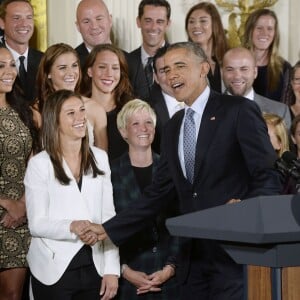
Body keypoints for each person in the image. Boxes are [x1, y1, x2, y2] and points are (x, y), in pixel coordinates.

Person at [82, 42, 282, 300]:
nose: (171, 75)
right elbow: (158, 192)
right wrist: (108, 229)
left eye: (180, 66)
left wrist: (245, 210)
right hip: (191, 260)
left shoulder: (238, 111)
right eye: (165, 69)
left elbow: (267, 176)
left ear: (204, 69)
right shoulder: (174, 125)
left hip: (233, 256)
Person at [24, 89, 119, 300]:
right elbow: (37, 223)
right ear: (54, 121)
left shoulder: (101, 158)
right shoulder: (39, 164)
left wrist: (112, 269)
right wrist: (72, 226)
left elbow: (108, 216)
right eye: (70, 113)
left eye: (82, 110)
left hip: (95, 266)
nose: (80, 118)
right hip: (53, 270)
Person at [112, 99, 179, 299]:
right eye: (135, 123)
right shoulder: (109, 174)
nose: (144, 128)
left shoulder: (171, 170)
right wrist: (124, 270)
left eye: (148, 122)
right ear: (123, 132)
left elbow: (180, 222)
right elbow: (106, 225)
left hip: (169, 279)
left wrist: (170, 268)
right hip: (128, 281)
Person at [0, 46, 39, 300]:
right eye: (0, 66)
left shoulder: (24, 112)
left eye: (11, 64)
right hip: (6, 207)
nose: (8, 71)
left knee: (13, 294)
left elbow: (36, 163)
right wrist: (6, 203)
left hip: (19, 219)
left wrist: (22, 204)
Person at [35, 43, 107, 150]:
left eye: (74, 65)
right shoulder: (36, 110)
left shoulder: (95, 109)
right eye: (62, 68)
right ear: (48, 73)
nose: (71, 73)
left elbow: (102, 158)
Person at [81, 43, 134, 160]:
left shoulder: (131, 110)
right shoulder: (77, 109)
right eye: (102, 67)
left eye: (115, 68)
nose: (109, 74)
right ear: (90, 71)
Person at [221, 46, 291, 128]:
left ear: (255, 72)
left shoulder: (280, 111)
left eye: (244, 69)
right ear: (222, 72)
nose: (237, 76)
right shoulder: (207, 108)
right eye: (230, 69)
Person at [243, 8, 291, 103]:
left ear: (275, 34)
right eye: (259, 28)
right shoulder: (236, 63)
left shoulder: (285, 68)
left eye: (269, 29)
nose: (264, 33)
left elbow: (286, 106)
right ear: (250, 31)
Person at [0, 0, 43, 104]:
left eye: (29, 17)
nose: (24, 24)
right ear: (2, 23)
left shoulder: (44, 60)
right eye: (16, 18)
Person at [127, 0, 171, 102]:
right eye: (148, 21)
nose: (153, 27)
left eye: (160, 21)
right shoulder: (126, 61)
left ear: (168, 24)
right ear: (138, 22)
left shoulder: (181, 59)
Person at [185, 1, 227, 93]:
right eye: (191, 21)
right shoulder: (183, 61)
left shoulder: (228, 58)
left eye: (203, 21)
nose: (196, 26)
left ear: (215, 24)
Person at [150, 45, 184, 152]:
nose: (172, 75)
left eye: (177, 67)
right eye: (164, 71)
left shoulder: (205, 100)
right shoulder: (146, 108)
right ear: (156, 78)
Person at [75, 0, 113, 69]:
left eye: (99, 19)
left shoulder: (130, 61)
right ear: (78, 26)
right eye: (86, 21)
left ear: (110, 20)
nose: (94, 26)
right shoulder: (71, 63)